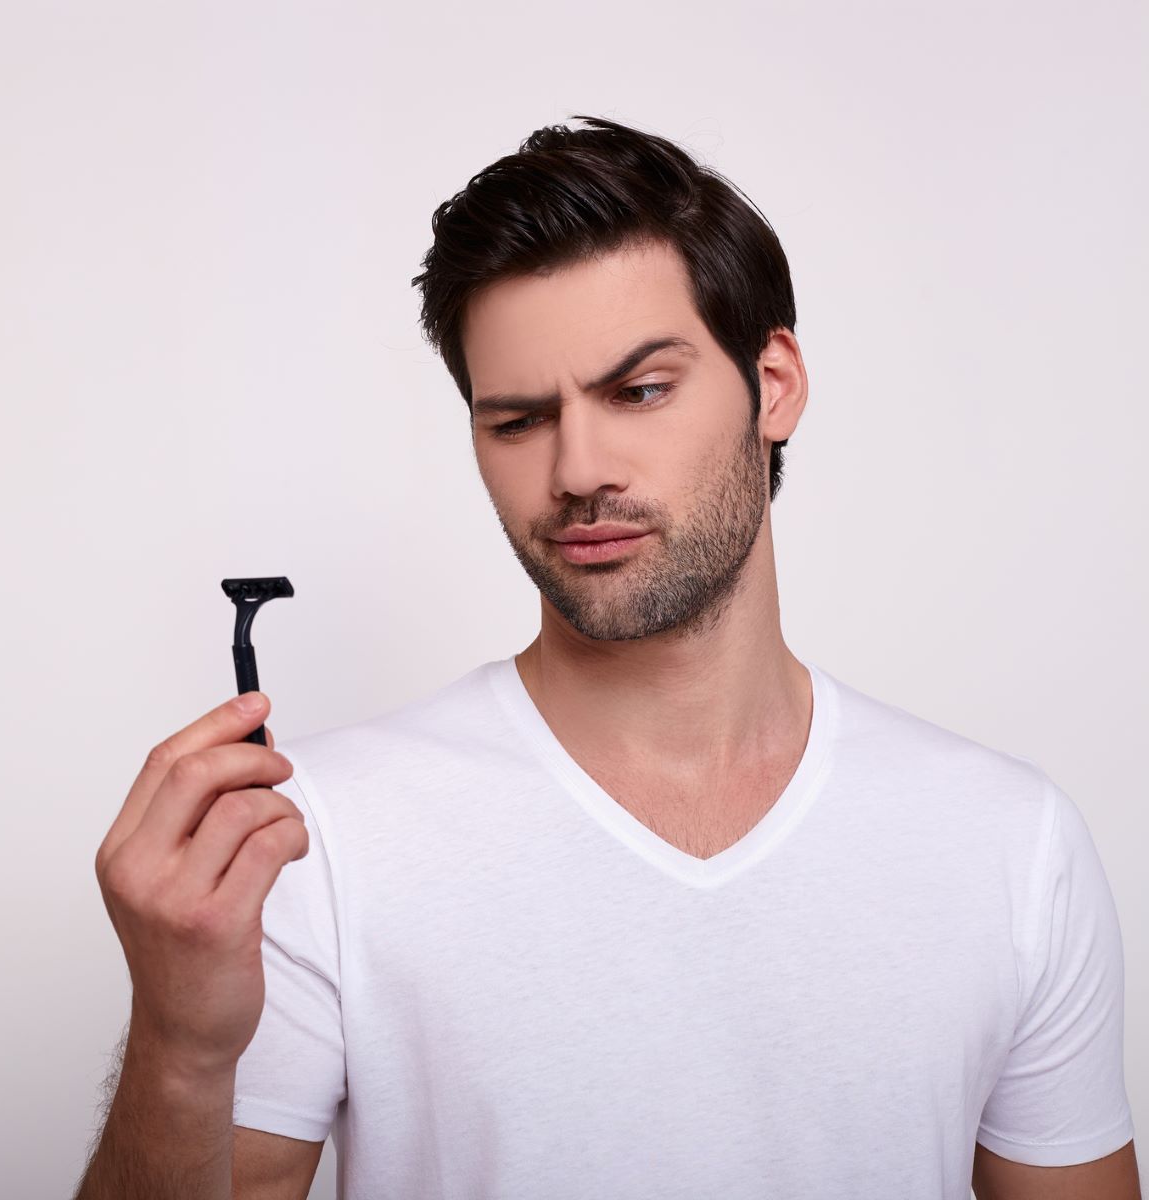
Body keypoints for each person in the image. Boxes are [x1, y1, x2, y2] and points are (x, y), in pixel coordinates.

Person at [78, 115, 1137, 1200]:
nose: (578, 469)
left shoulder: (1008, 844)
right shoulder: (318, 841)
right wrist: (181, 1045)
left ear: (773, 384)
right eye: (519, 421)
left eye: (638, 391)